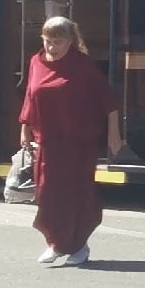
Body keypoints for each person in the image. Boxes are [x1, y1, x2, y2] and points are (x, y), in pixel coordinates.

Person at [17, 15, 126, 268]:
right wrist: (24, 128)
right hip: (48, 142)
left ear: (70, 41)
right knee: (48, 195)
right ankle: (55, 243)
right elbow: (30, 98)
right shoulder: (36, 62)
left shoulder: (83, 65)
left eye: (58, 42)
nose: (51, 47)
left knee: (77, 195)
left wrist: (114, 133)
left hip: (78, 143)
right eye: (47, 41)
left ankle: (79, 246)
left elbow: (108, 101)